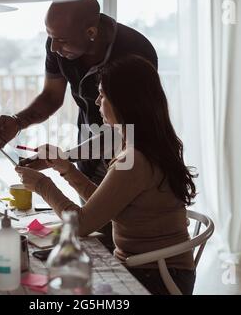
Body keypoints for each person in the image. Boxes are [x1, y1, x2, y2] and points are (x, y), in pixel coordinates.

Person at [14, 55, 198, 295]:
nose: (98, 100)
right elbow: (106, 205)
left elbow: (80, 225)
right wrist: (67, 169)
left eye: (103, 94)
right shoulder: (146, 145)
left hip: (157, 276)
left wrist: (42, 185)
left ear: (124, 101)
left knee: (53, 282)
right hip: (157, 269)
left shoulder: (134, 160)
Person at [0, 0, 158, 252]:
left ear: (91, 32)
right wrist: (18, 123)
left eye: (61, 40)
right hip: (94, 149)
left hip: (125, 149)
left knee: (111, 240)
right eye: (50, 36)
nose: (53, 48)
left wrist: (44, 184)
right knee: (94, 242)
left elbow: (132, 125)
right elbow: (50, 97)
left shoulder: (134, 52)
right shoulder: (59, 42)